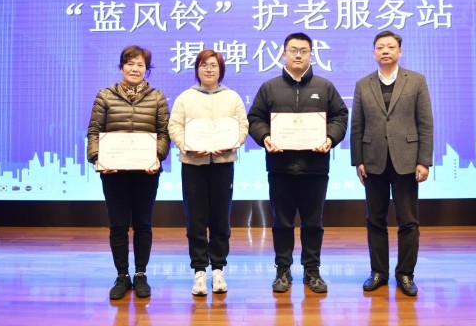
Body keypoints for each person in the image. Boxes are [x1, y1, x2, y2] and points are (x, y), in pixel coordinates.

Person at [248, 32, 348, 294]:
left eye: (304, 51)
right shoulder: (269, 87)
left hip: (315, 168)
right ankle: (283, 270)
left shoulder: (324, 87)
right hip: (280, 167)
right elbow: (255, 119)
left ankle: (312, 270)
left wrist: (330, 138)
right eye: (293, 50)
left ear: (311, 54)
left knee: (313, 223)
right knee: (282, 223)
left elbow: (340, 116)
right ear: (284, 54)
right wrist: (265, 137)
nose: (298, 55)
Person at [350, 30, 433, 297]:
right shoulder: (363, 84)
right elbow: (357, 125)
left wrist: (424, 160)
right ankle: (379, 272)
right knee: (375, 220)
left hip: (407, 161)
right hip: (373, 160)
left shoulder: (416, 81)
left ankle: (406, 274)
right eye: (380, 47)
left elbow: (425, 123)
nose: (385, 51)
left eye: (390, 47)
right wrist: (357, 160)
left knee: (408, 221)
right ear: (374, 53)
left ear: (400, 51)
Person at [87, 45, 171, 300]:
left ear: (147, 69)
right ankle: (122, 275)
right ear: (122, 67)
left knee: (143, 223)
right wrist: (97, 158)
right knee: (118, 224)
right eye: (130, 64)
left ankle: (141, 274)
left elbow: (164, 133)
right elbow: (94, 131)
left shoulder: (157, 97)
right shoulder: (105, 95)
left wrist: (157, 156)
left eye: (140, 65)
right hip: (113, 171)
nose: (135, 69)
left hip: (146, 172)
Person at [168, 49, 248, 296]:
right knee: (196, 219)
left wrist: (233, 143)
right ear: (197, 69)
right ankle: (200, 270)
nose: (209, 69)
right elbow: (174, 126)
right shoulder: (185, 98)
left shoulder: (232, 97)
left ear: (221, 70)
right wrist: (187, 146)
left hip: (223, 164)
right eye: (204, 65)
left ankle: (218, 269)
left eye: (214, 65)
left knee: (221, 219)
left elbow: (242, 126)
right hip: (193, 165)